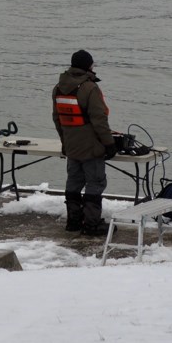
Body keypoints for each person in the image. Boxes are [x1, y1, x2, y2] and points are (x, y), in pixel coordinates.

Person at [52, 50, 118, 235]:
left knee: (73, 180)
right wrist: (109, 143)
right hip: (91, 147)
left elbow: (57, 119)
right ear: (88, 66)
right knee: (95, 182)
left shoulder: (58, 88)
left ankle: (73, 221)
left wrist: (65, 141)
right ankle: (91, 224)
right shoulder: (90, 88)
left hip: (72, 145)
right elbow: (99, 120)